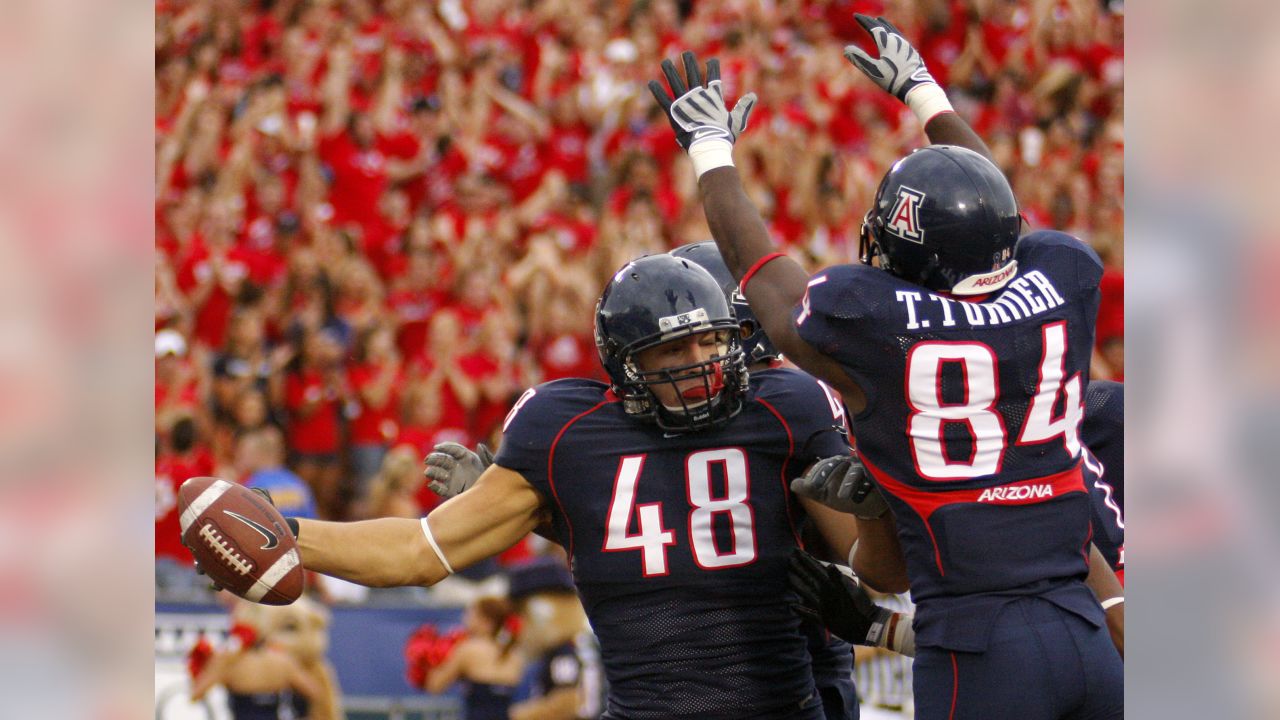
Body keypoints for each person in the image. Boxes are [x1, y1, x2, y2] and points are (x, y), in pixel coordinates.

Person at [647, 13, 1122, 719]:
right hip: (1085, 633)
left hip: (978, 645)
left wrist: (711, 151)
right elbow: (1002, 218)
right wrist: (928, 95)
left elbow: (766, 279)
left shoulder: (881, 331)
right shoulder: (1062, 283)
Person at [212, 253, 857, 719]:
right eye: (674, 352)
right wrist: (292, 535)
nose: (702, 367)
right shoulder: (570, 432)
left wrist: (875, 531)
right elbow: (418, 550)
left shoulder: (784, 408)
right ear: (625, 365)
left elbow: (870, 564)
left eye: (715, 343)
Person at [505, 558, 604, 720]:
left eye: (523, 614)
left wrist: (519, 714)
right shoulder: (580, 642)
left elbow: (569, 701)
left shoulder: (566, 648)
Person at [423, 596, 524, 720]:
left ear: (486, 622)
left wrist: (430, 659)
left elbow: (435, 686)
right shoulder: (514, 653)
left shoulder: (469, 649)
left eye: (471, 615)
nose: (465, 619)